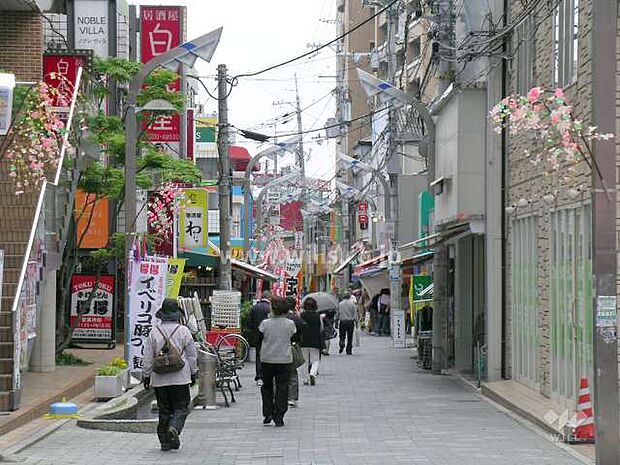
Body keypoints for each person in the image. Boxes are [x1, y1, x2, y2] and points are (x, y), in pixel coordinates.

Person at [143, 299, 198, 451]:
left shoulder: (154, 331)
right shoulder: (183, 331)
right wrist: (193, 372)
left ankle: (165, 442)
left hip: (160, 378)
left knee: (164, 409)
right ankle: (174, 428)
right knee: (181, 407)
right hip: (180, 377)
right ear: (176, 315)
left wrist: (146, 375)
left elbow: (148, 356)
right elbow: (192, 355)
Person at [258, 296, 297, 427]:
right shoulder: (290, 324)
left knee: (267, 386)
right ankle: (279, 415)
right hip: (284, 359)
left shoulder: (265, 324)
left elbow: (258, 339)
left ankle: (268, 412)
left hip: (267, 358)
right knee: (282, 387)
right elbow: (294, 336)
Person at [285, 296, 306, 407]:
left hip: (279, 348)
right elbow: (303, 331)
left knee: (280, 373)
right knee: (292, 373)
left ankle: (281, 395)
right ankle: (292, 398)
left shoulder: (280, 317)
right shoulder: (297, 319)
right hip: (293, 346)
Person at [248, 291, 271, 384]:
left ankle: (259, 376)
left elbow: (249, 322)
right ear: (269, 297)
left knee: (259, 355)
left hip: (257, 334)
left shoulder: (255, 307)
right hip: (269, 334)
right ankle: (267, 375)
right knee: (269, 354)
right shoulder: (270, 308)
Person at [300, 297, 323, 386]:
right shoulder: (318, 316)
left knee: (304, 361)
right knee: (315, 360)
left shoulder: (301, 315)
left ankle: (305, 379)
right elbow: (321, 328)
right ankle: (312, 373)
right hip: (315, 340)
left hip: (303, 341)